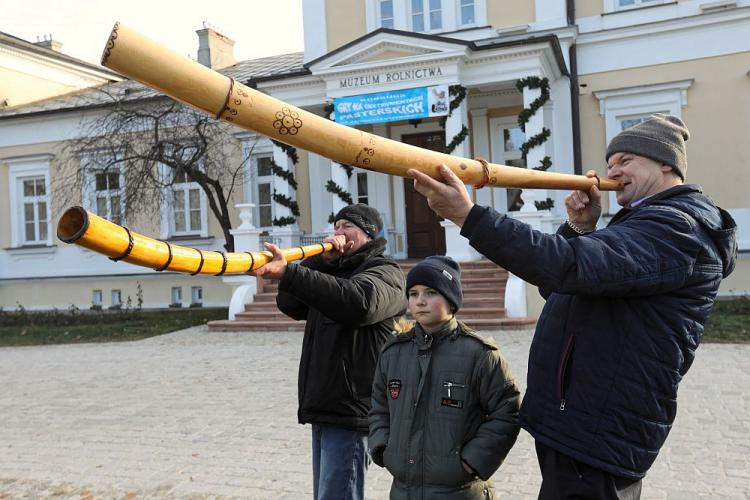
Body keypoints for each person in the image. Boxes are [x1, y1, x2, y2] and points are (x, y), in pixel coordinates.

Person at [407, 114, 738, 499]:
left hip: (598, 432)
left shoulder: (675, 228)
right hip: (578, 425)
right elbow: (565, 289)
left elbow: (567, 265)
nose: (611, 171)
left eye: (626, 161)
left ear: (666, 164)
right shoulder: (642, 222)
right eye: (611, 162)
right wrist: (580, 228)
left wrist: (468, 216)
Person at [250, 203, 406, 500]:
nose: (338, 233)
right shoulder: (332, 273)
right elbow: (290, 304)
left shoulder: (386, 272)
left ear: (368, 235)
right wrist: (321, 262)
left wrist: (292, 272)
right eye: (335, 226)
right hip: (325, 405)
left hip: (352, 409)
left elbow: (359, 303)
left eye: (347, 226)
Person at [369, 255, 521, 499]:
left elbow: (507, 411)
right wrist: (384, 447)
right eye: (414, 294)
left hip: (460, 491)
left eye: (431, 293)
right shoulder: (394, 352)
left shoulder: (478, 354)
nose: (420, 301)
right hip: (403, 490)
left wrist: (472, 462)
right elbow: (378, 405)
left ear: (451, 301)